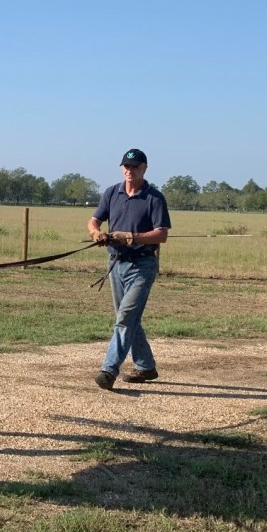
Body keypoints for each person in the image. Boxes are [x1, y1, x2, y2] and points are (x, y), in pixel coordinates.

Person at [87, 149, 171, 391]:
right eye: (125, 166)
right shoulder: (112, 192)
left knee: (125, 318)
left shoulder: (154, 198)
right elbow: (94, 221)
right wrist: (97, 233)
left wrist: (132, 237)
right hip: (116, 264)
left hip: (142, 266)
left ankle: (109, 369)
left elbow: (162, 234)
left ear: (144, 168)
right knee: (128, 318)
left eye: (134, 166)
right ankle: (145, 366)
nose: (129, 170)